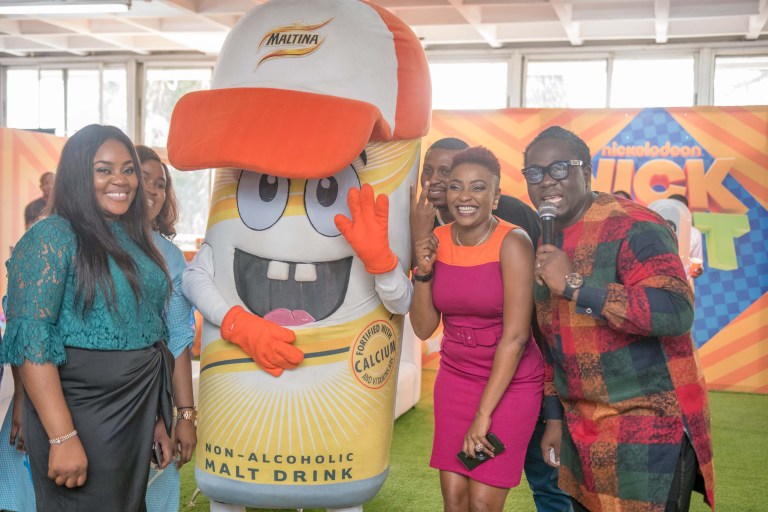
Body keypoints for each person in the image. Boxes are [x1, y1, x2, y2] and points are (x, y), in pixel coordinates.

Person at [524, 125, 714, 511]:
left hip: (647, 423)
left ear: (586, 172)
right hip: (583, 429)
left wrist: (576, 285)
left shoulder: (635, 225)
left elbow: (676, 310)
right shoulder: (547, 238)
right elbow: (552, 337)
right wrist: (554, 418)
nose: (546, 181)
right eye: (535, 172)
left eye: (559, 168)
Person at [0, 124, 176, 511]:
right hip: (81, 411)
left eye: (128, 169)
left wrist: (157, 418)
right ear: (79, 173)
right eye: (104, 169)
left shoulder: (134, 236)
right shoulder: (51, 236)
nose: (121, 180)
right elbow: (31, 341)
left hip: (136, 408)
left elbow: (149, 328)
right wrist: (62, 436)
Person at [412, 137, 572, 511]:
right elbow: (423, 328)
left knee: (483, 502)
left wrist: (483, 416)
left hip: (509, 385)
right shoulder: (436, 240)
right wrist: (422, 271)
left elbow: (516, 338)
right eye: (456, 186)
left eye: (478, 187)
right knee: (455, 500)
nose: (465, 196)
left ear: (496, 197)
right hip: (455, 379)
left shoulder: (513, 243)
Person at [136, 145, 197, 512]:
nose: (153, 190)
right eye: (143, 179)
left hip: (148, 396)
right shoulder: (78, 241)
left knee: (152, 486)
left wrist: (185, 415)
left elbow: (178, 339)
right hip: (81, 394)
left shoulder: (169, 256)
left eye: (160, 184)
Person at [668, 193, 704, 280]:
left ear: (686, 211)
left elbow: (697, 261)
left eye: (681, 208)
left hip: (680, 283)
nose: (677, 211)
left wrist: (698, 270)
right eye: (673, 208)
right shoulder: (654, 227)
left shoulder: (694, 233)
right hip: (652, 281)